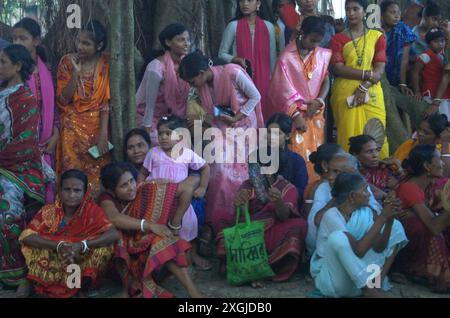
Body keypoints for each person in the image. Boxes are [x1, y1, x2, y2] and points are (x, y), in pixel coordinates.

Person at [179, 52, 264, 236]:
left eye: (192, 81)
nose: (192, 86)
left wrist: (236, 117)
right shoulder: (203, 88)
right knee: (218, 172)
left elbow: (255, 96)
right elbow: (214, 111)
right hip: (222, 127)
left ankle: (243, 219)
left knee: (239, 175)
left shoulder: (233, 73)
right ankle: (219, 224)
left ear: (202, 73)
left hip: (244, 128)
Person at [99, 163, 204, 298]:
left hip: (146, 243)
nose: (131, 187)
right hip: (123, 252)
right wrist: (149, 225)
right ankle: (129, 287)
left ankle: (193, 293)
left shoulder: (144, 189)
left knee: (164, 242)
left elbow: (187, 189)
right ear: (112, 190)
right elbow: (115, 218)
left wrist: (175, 224)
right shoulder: (106, 199)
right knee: (158, 240)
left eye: (131, 181)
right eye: (123, 185)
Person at [216, 148, 307, 287]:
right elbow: (240, 215)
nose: (250, 172)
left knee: (298, 225)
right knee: (219, 217)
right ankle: (242, 267)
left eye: (255, 168)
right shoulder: (247, 185)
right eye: (250, 167)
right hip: (250, 230)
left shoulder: (288, 188)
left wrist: (278, 201)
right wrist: (239, 203)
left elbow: (284, 216)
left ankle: (266, 269)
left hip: (272, 230)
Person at [19, 170, 118, 298]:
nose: (71, 195)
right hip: (55, 257)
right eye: (67, 189)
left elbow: (113, 233)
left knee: (105, 248)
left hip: (80, 257)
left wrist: (82, 245)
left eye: (77, 190)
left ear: (84, 192)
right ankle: (44, 285)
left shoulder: (92, 211)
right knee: (36, 247)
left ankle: (78, 287)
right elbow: (27, 235)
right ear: (60, 190)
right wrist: (59, 245)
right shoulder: (49, 211)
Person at [311, 173, 406, 298]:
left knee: (396, 227)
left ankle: (375, 284)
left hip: (356, 282)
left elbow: (379, 248)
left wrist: (389, 220)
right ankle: (369, 290)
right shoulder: (331, 215)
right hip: (334, 282)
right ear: (352, 196)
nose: (369, 193)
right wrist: (382, 217)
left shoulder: (367, 212)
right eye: (365, 189)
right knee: (338, 238)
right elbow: (359, 251)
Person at [137, 115, 212, 271]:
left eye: (168, 133)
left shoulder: (187, 154)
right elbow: (143, 173)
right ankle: (164, 259)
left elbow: (205, 167)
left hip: (179, 199)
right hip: (157, 197)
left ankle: (188, 258)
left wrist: (203, 188)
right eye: (161, 133)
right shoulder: (153, 153)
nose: (163, 137)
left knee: (188, 223)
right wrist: (140, 186)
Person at [0, 44, 44, 297]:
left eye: (3, 61)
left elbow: (25, 145)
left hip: (19, 169)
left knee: (6, 215)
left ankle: (17, 274)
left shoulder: (24, 99)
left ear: (17, 66)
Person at [267, 16, 331, 182]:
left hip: (315, 113)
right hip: (295, 116)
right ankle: (296, 196)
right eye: (312, 40)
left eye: (318, 42)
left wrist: (319, 101)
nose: (315, 46)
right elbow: (280, 90)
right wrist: (295, 116)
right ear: (302, 34)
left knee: (317, 155)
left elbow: (326, 80)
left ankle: (314, 193)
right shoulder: (286, 57)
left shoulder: (321, 55)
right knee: (298, 156)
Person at [56, 20, 111, 198]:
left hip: (97, 128)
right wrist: (76, 74)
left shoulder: (107, 63)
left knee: (97, 173)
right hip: (71, 128)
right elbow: (63, 99)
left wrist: (103, 133)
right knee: (71, 171)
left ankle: (93, 216)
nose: (80, 46)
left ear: (99, 45)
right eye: (78, 41)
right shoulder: (67, 61)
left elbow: (106, 102)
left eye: (86, 43)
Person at [329, 0, 389, 158]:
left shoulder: (377, 36)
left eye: (355, 9)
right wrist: (367, 75)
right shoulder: (338, 39)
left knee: (377, 132)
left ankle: (380, 175)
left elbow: (379, 68)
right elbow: (338, 68)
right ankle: (350, 174)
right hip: (346, 92)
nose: (351, 13)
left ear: (364, 11)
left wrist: (364, 86)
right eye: (347, 9)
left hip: (371, 90)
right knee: (349, 135)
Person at [12, 17, 59, 204]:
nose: (17, 43)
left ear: (36, 41)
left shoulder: (46, 70)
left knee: (45, 198)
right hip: (19, 148)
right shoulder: (10, 70)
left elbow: (53, 108)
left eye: (23, 38)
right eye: (14, 38)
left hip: (45, 145)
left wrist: (55, 133)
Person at [396, 145, 450, 292]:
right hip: (410, 241)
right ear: (427, 166)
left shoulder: (432, 185)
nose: (442, 163)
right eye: (439, 159)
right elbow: (434, 226)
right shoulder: (410, 187)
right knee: (429, 229)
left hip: (427, 227)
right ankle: (430, 273)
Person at [136, 24, 191, 144]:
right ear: (168, 42)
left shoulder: (188, 65)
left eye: (188, 39)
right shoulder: (155, 68)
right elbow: (149, 106)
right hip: (152, 120)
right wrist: (147, 132)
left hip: (176, 120)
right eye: (181, 40)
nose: (186, 43)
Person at [219, 0, 276, 111]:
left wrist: (273, 83)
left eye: (249, 0)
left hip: (264, 81)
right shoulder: (233, 26)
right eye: (241, 1)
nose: (245, 4)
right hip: (240, 80)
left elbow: (272, 59)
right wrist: (235, 59)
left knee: (263, 114)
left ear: (258, 3)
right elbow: (221, 54)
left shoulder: (269, 27)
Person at [266, 112, 308, 205]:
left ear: (288, 136)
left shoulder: (297, 161)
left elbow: (300, 192)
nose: (271, 137)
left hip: (289, 209)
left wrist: (282, 194)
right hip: (263, 208)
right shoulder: (259, 157)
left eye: (277, 134)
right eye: (269, 132)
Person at [380, 0, 417, 94]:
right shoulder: (376, 31)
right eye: (392, 12)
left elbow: (404, 59)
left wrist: (403, 84)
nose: (397, 16)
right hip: (380, 74)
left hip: (399, 74)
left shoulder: (403, 30)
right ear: (382, 15)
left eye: (398, 12)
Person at [412, 28, 450, 105]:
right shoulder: (425, 56)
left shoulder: (444, 57)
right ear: (428, 44)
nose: (440, 44)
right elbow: (415, 73)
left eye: (442, 41)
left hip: (444, 93)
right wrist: (417, 91)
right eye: (436, 41)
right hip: (430, 92)